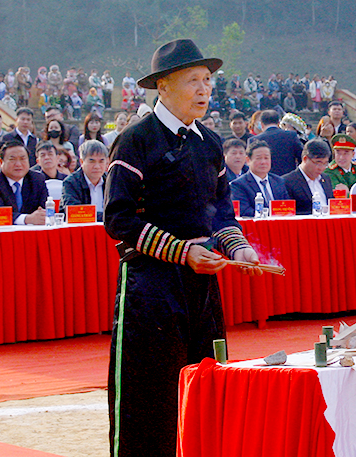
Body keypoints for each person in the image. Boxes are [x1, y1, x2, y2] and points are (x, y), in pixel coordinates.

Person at [104, 38, 261, 456]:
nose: (204, 89)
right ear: (163, 86)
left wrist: (238, 248)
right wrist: (182, 251)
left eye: (208, 80)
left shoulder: (209, 143)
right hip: (150, 287)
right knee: (148, 395)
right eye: (193, 80)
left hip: (202, 285)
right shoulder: (136, 140)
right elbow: (118, 220)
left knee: (207, 381)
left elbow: (221, 211)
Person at [0, 139, 49, 225]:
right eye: (12, 159)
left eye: (22, 159)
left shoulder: (37, 179)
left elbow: (45, 208)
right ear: (2, 162)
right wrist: (26, 219)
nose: (18, 164)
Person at [231, 139, 291, 217]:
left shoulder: (279, 181)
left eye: (266, 158)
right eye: (259, 158)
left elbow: (287, 207)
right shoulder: (238, 185)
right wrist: (269, 214)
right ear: (248, 160)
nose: (263, 162)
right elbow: (244, 211)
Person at [282, 138, 335, 215]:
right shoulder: (287, 181)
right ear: (305, 159)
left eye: (325, 164)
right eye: (318, 163)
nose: (321, 168)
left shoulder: (326, 179)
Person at [60, 139, 108, 221]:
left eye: (101, 161)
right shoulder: (71, 182)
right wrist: (108, 217)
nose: (97, 166)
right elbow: (74, 212)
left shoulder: (111, 181)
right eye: (92, 161)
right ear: (82, 162)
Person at [256, 109, 303, 176]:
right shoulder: (291, 135)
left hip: (265, 180)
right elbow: (301, 157)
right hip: (289, 179)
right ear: (278, 123)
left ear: (261, 124)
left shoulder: (254, 140)